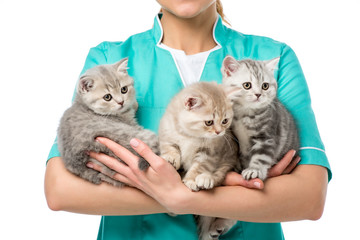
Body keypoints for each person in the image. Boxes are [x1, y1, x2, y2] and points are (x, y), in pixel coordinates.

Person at [45, 1, 331, 239]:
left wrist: (181, 197)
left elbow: (309, 198)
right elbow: (61, 191)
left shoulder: (270, 58)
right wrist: (217, 187)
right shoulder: (111, 60)